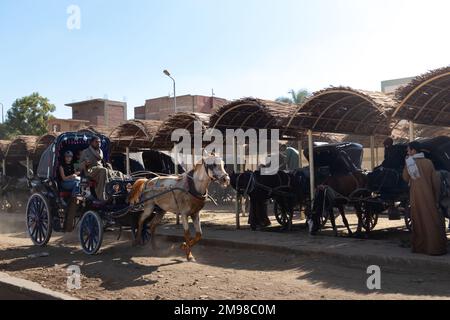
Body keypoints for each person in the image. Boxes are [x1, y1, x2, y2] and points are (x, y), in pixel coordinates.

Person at [402, 141, 447, 256]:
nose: (407, 152)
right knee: (431, 220)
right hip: (429, 196)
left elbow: (405, 178)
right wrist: (436, 196)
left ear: (413, 151)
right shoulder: (428, 162)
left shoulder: (410, 163)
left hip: (416, 196)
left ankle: (421, 247)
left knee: (419, 220)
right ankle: (435, 248)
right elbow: (435, 181)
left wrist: (406, 163)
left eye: (408, 150)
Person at [80, 136, 124, 201]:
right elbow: (80, 165)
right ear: (91, 143)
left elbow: (102, 163)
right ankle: (102, 195)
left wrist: (108, 165)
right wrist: (85, 164)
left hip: (100, 169)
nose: (98, 143)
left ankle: (118, 192)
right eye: (96, 142)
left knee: (118, 173)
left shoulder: (101, 152)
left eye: (99, 142)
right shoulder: (85, 152)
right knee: (104, 170)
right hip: (90, 170)